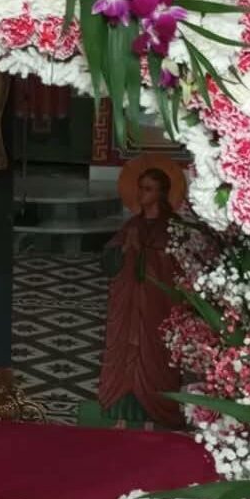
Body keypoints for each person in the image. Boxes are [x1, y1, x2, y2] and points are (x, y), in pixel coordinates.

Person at [97, 167, 183, 427]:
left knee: (154, 353)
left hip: (156, 306)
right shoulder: (132, 225)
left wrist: (149, 254)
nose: (141, 194)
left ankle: (153, 416)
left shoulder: (172, 227)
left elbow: (178, 263)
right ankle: (122, 416)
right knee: (127, 354)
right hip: (129, 304)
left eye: (148, 189)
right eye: (140, 187)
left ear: (161, 193)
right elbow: (109, 259)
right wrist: (125, 249)